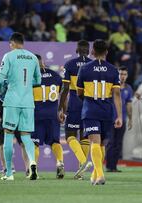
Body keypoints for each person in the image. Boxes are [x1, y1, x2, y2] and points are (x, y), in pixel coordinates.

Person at [76, 39, 122, 185]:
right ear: (107, 52)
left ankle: (100, 175)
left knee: (94, 143)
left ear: (93, 52)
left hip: (90, 110)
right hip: (107, 111)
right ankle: (95, 175)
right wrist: (119, 115)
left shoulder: (84, 69)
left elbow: (79, 92)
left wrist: (88, 100)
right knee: (101, 144)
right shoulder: (113, 70)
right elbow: (116, 94)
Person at [0, 32, 41, 181]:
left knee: (8, 134)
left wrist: (1, 91)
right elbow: (38, 81)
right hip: (28, 102)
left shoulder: (9, 56)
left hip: (12, 101)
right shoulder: (33, 57)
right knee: (26, 136)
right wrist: (26, 85)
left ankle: (9, 173)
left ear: (12, 43)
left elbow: (0, 80)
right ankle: (32, 164)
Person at [59, 40, 91, 180]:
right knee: (85, 137)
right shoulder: (93, 65)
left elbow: (65, 88)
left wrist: (61, 107)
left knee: (70, 135)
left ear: (77, 50)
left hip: (75, 104)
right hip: (90, 104)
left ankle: (83, 162)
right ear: (88, 51)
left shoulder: (70, 64)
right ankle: (81, 170)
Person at [31, 54, 65, 179]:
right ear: (43, 62)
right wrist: (61, 110)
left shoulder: (31, 78)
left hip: (37, 114)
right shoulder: (56, 76)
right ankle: (60, 162)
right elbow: (62, 92)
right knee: (55, 142)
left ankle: (33, 167)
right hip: (52, 114)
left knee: (34, 143)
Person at [106, 66, 133, 172]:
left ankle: (114, 166)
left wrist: (130, 119)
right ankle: (109, 166)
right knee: (111, 142)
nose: (122, 76)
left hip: (123, 120)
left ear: (127, 76)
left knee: (119, 143)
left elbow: (129, 105)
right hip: (111, 119)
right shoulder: (111, 87)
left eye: (124, 74)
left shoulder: (128, 89)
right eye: (120, 74)